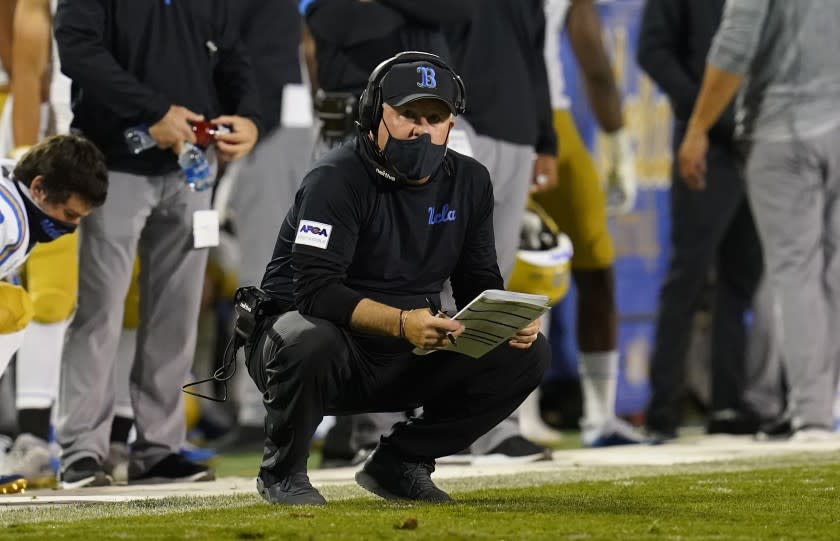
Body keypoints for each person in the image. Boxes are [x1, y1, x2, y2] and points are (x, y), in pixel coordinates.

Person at [246, 52, 550, 505]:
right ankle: (282, 473)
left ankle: (401, 462)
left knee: (526, 352)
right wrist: (405, 323)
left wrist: (504, 320)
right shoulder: (335, 178)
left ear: (451, 124)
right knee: (305, 337)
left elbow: (478, 282)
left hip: (406, 347)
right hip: (319, 348)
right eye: (407, 114)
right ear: (374, 114)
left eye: (435, 116)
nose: (421, 128)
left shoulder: (470, 181)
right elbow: (315, 293)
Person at [54, 0, 260, 488]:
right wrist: (153, 111)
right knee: (99, 308)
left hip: (193, 166)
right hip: (114, 161)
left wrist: (247, 116)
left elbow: (231, 55)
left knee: (178, 312)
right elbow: (78, 52)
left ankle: (159, 449)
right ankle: (82, 451)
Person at [679, 0, 840, 440]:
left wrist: (697, 127)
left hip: (785, 130)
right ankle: (820, 403)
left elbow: (735, 44)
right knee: (831, 271)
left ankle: (813, 414)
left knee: (795, 270)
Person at [637, 0, 784, 440]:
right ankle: (663, 409)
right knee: (689, 275)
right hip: (705, 145)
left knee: (742, 278)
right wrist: (703, 110)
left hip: (758, 142)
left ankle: (727, 404)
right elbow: (652, 51)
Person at [532, 0, 644, 448]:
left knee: (575, 259)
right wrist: (616, 138)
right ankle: (518, 418)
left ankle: (595, 417)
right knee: (574, 262)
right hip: (513, 116)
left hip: (490, 113)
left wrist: (616, 138)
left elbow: (592, 55)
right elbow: (592, 57)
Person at [0, 0, 82, 490]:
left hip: (68, 142)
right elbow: (27, 73)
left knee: (47, 301)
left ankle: (34, 429)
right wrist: (27, 163)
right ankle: (30, 433)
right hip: (36, 143)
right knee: (30, 299)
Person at [0, 135, 108, 494]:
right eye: (69, 214)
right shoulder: (9, 226)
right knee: (12, 309)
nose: (71, 226)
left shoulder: (12, 187)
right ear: (40, 188)